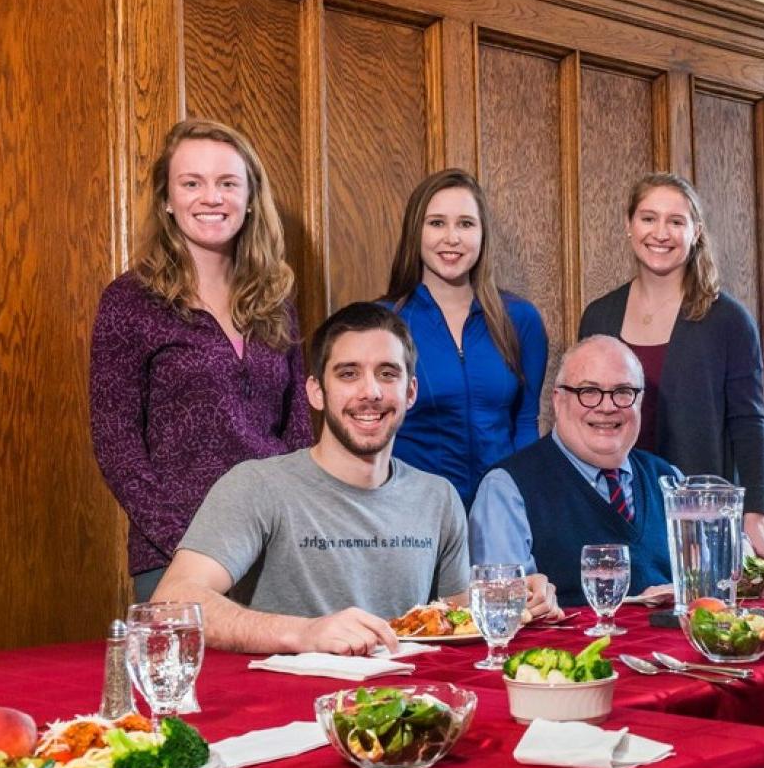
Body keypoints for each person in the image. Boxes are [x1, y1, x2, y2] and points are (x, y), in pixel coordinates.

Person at [152, 302, 557, 655]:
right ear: (316, 392)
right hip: (287, 717)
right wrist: (305, 632)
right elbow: (171, 603)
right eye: (348, 374)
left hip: (407, 711)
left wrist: (514, 598)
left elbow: (455, 616)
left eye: (387, 374)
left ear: (410, 391)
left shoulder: (439, 498)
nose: (371, 392)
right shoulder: (258, 487)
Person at [90, 118, 313, 603]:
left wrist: (298, 528)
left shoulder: (275, 302)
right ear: (167, 199)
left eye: (227, 183)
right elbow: (117, 445)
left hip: (276, 545)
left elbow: (298, 433)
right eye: (192, 183)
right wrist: (189, 545)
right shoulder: (130, 300)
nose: (211, 197)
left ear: (251, 197)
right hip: (177, 556)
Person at [578, 172, 764, 556]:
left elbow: (749, 423)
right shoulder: (599, 317)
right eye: (648, 218)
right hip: (613, 512)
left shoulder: (729, 320)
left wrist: (754, 518)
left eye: (676, 221)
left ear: (696, 231)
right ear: (629, 225)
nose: (660, 233)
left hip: (697, 518)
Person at [469, 336, 679, 608]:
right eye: (588, 391)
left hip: (668, 649)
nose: (607, 406)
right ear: (558, 400)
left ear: (639, 401)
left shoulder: (671, 481)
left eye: (623, 391)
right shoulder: (506, 490)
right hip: (562, 650)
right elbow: (504, 613)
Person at [384, 168, 549, 506]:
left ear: (482, 233)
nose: (452, 238)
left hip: (500, 510)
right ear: (416, 232)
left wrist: (526, 499)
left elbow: (525, 420)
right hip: (413, 511)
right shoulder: (385, 322)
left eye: (465, 224)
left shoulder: (521, 319)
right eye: (437, 223)